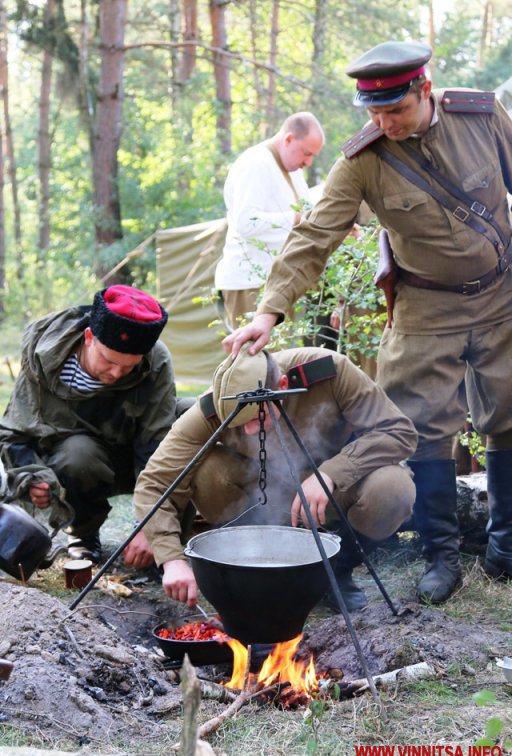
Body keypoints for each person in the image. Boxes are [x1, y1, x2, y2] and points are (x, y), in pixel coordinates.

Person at [223, 40, 512, 604]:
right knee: (422, 424)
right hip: (426, 306)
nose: (385, 122)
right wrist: (268, 310)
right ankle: (441, 557)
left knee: (510, 414)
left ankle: (505, 547)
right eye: (374, 113)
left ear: (424, 90)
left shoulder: (481, 116)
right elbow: (314, 236)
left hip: (501, 294)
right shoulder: (362, 160)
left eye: (396, 110)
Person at [133, 344, 417, 612]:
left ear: (282, 387)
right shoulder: (212, 407)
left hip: (331, 494)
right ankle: (253, 567)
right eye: (237, 424)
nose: (247, 431)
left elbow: (399, 432)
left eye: (255, 420)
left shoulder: (329, 373)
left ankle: (334, 573)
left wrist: (331, 473)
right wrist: (171, 559)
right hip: (260, 494)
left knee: (392, 488)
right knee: (207, 470)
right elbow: (155, 481)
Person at [0, 284, 183, 567]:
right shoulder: (46, 354)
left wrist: (153, 527)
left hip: (131, 453)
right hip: (75, 461)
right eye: (109, 361)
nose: (115, 373)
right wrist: (35, 479)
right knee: (78, 453)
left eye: (128, 367)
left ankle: (169, 545)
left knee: (189, 423)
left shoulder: (155, 359)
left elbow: (159, 444)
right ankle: (83, 535)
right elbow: (15, 433)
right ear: (88, 337)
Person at [214, 112, 325, 330]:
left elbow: (308, 211)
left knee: (283, 361)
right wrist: (296, 219)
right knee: (256, 362)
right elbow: (247, 223)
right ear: (288, 139)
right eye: (306, 153)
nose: (309, 162)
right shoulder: (255, 164)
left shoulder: (291, 168)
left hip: (279, 284)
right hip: (250, 285)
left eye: (313, 156)